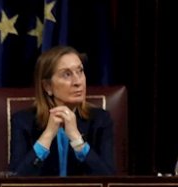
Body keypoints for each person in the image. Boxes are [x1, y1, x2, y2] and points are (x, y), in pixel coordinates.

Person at [9, 46, 115, 176]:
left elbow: (109, 180)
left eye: (80, 71)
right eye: (67, 74)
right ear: (47, 86)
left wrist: (77, 140)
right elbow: (13, 182)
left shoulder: (100, 120)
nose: (78, 82)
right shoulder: (23, 122)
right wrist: (47, 136)